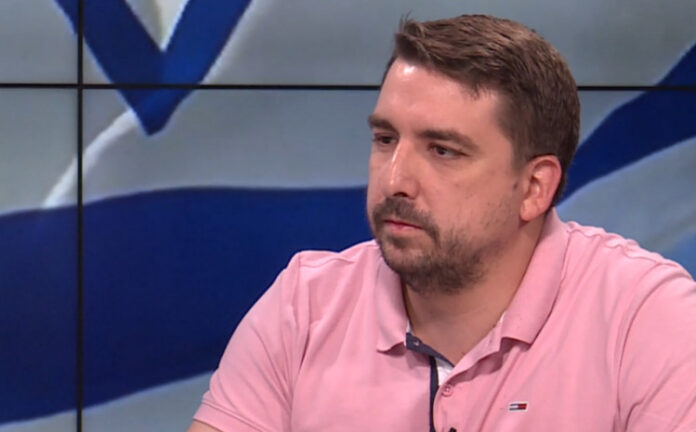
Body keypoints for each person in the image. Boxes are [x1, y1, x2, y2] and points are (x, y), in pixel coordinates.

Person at [188, 14, 696, 432]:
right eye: (386, 140)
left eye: (443, 151)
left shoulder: (645, 317)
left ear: (534, 187)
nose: (395, 180)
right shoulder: (305, 308)